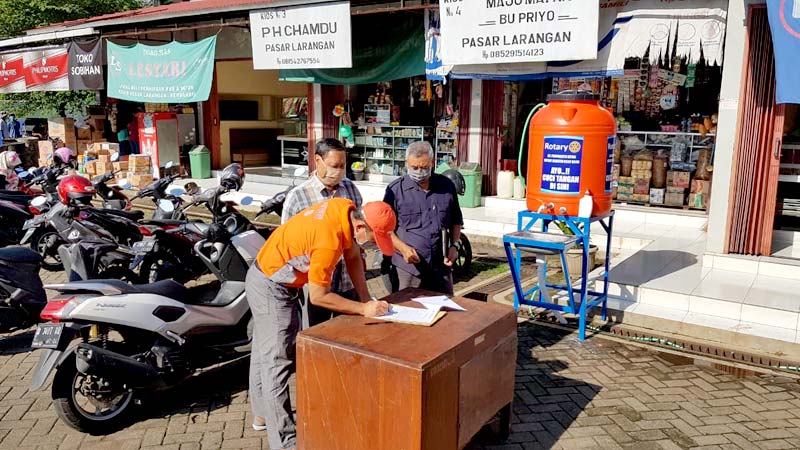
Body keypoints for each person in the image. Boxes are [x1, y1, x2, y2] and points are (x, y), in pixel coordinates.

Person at [246, 198, 396, 450]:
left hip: (271, 278)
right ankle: (284, 442)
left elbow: (353, 258)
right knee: (277, 362)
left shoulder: (343, 209)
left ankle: (263, 415)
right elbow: (318, 296)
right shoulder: (327, 239)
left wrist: (366, 299)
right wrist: (362, 309)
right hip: (271, 286)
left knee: (265, 352)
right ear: (360, 227)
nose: (373, 244)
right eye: (374, 237)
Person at [281, 138, 363, 327]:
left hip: (347, 281)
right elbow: (289, 248)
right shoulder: (298, 197)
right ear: (318, 161)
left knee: (351, 334)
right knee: (318, 337)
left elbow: (357, 234)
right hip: (316, 287)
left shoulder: (350, 189)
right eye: (334, 165)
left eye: (343, 166)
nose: (339, 171)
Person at [383, 141, 464, 295]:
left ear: (432, 163)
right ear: (406, 163)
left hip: (441, 267)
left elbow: (456, 219)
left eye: (424, 167)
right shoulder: (395, 190)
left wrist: (454, 246)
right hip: (409, 268)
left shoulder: (446, 186)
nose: (419, 171)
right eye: (414, 167)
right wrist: (403, 248)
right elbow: (385, 229)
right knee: (408, 311)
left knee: (446, 310)